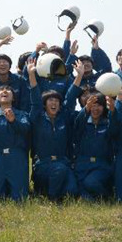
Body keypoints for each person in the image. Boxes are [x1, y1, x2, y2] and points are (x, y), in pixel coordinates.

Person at [26, 57, 81, 201]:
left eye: (57, 101)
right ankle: (51, 199)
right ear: (45, 104)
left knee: (72, 190)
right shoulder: (37, 117)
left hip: (63, 162)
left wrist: (79, 76)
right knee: (59, 172)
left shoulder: (64, 117)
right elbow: (35, 100)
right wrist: (32, 75)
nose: (54, 103)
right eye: (50, 100)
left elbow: (70, 98)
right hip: (43, 164)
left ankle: (46, 192)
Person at [72, 93, 116, 201]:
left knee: (90, 183)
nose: (95, 108)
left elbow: (116, 127)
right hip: (82, 164)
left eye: (99, 105)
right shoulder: (83, 123)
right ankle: (93, 198)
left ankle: (108, 196)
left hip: (102, 165)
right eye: (92, 105)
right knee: (79, 191)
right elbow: (78, 123)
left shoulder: (108, 124)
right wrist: (86, 109)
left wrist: (113, 111)